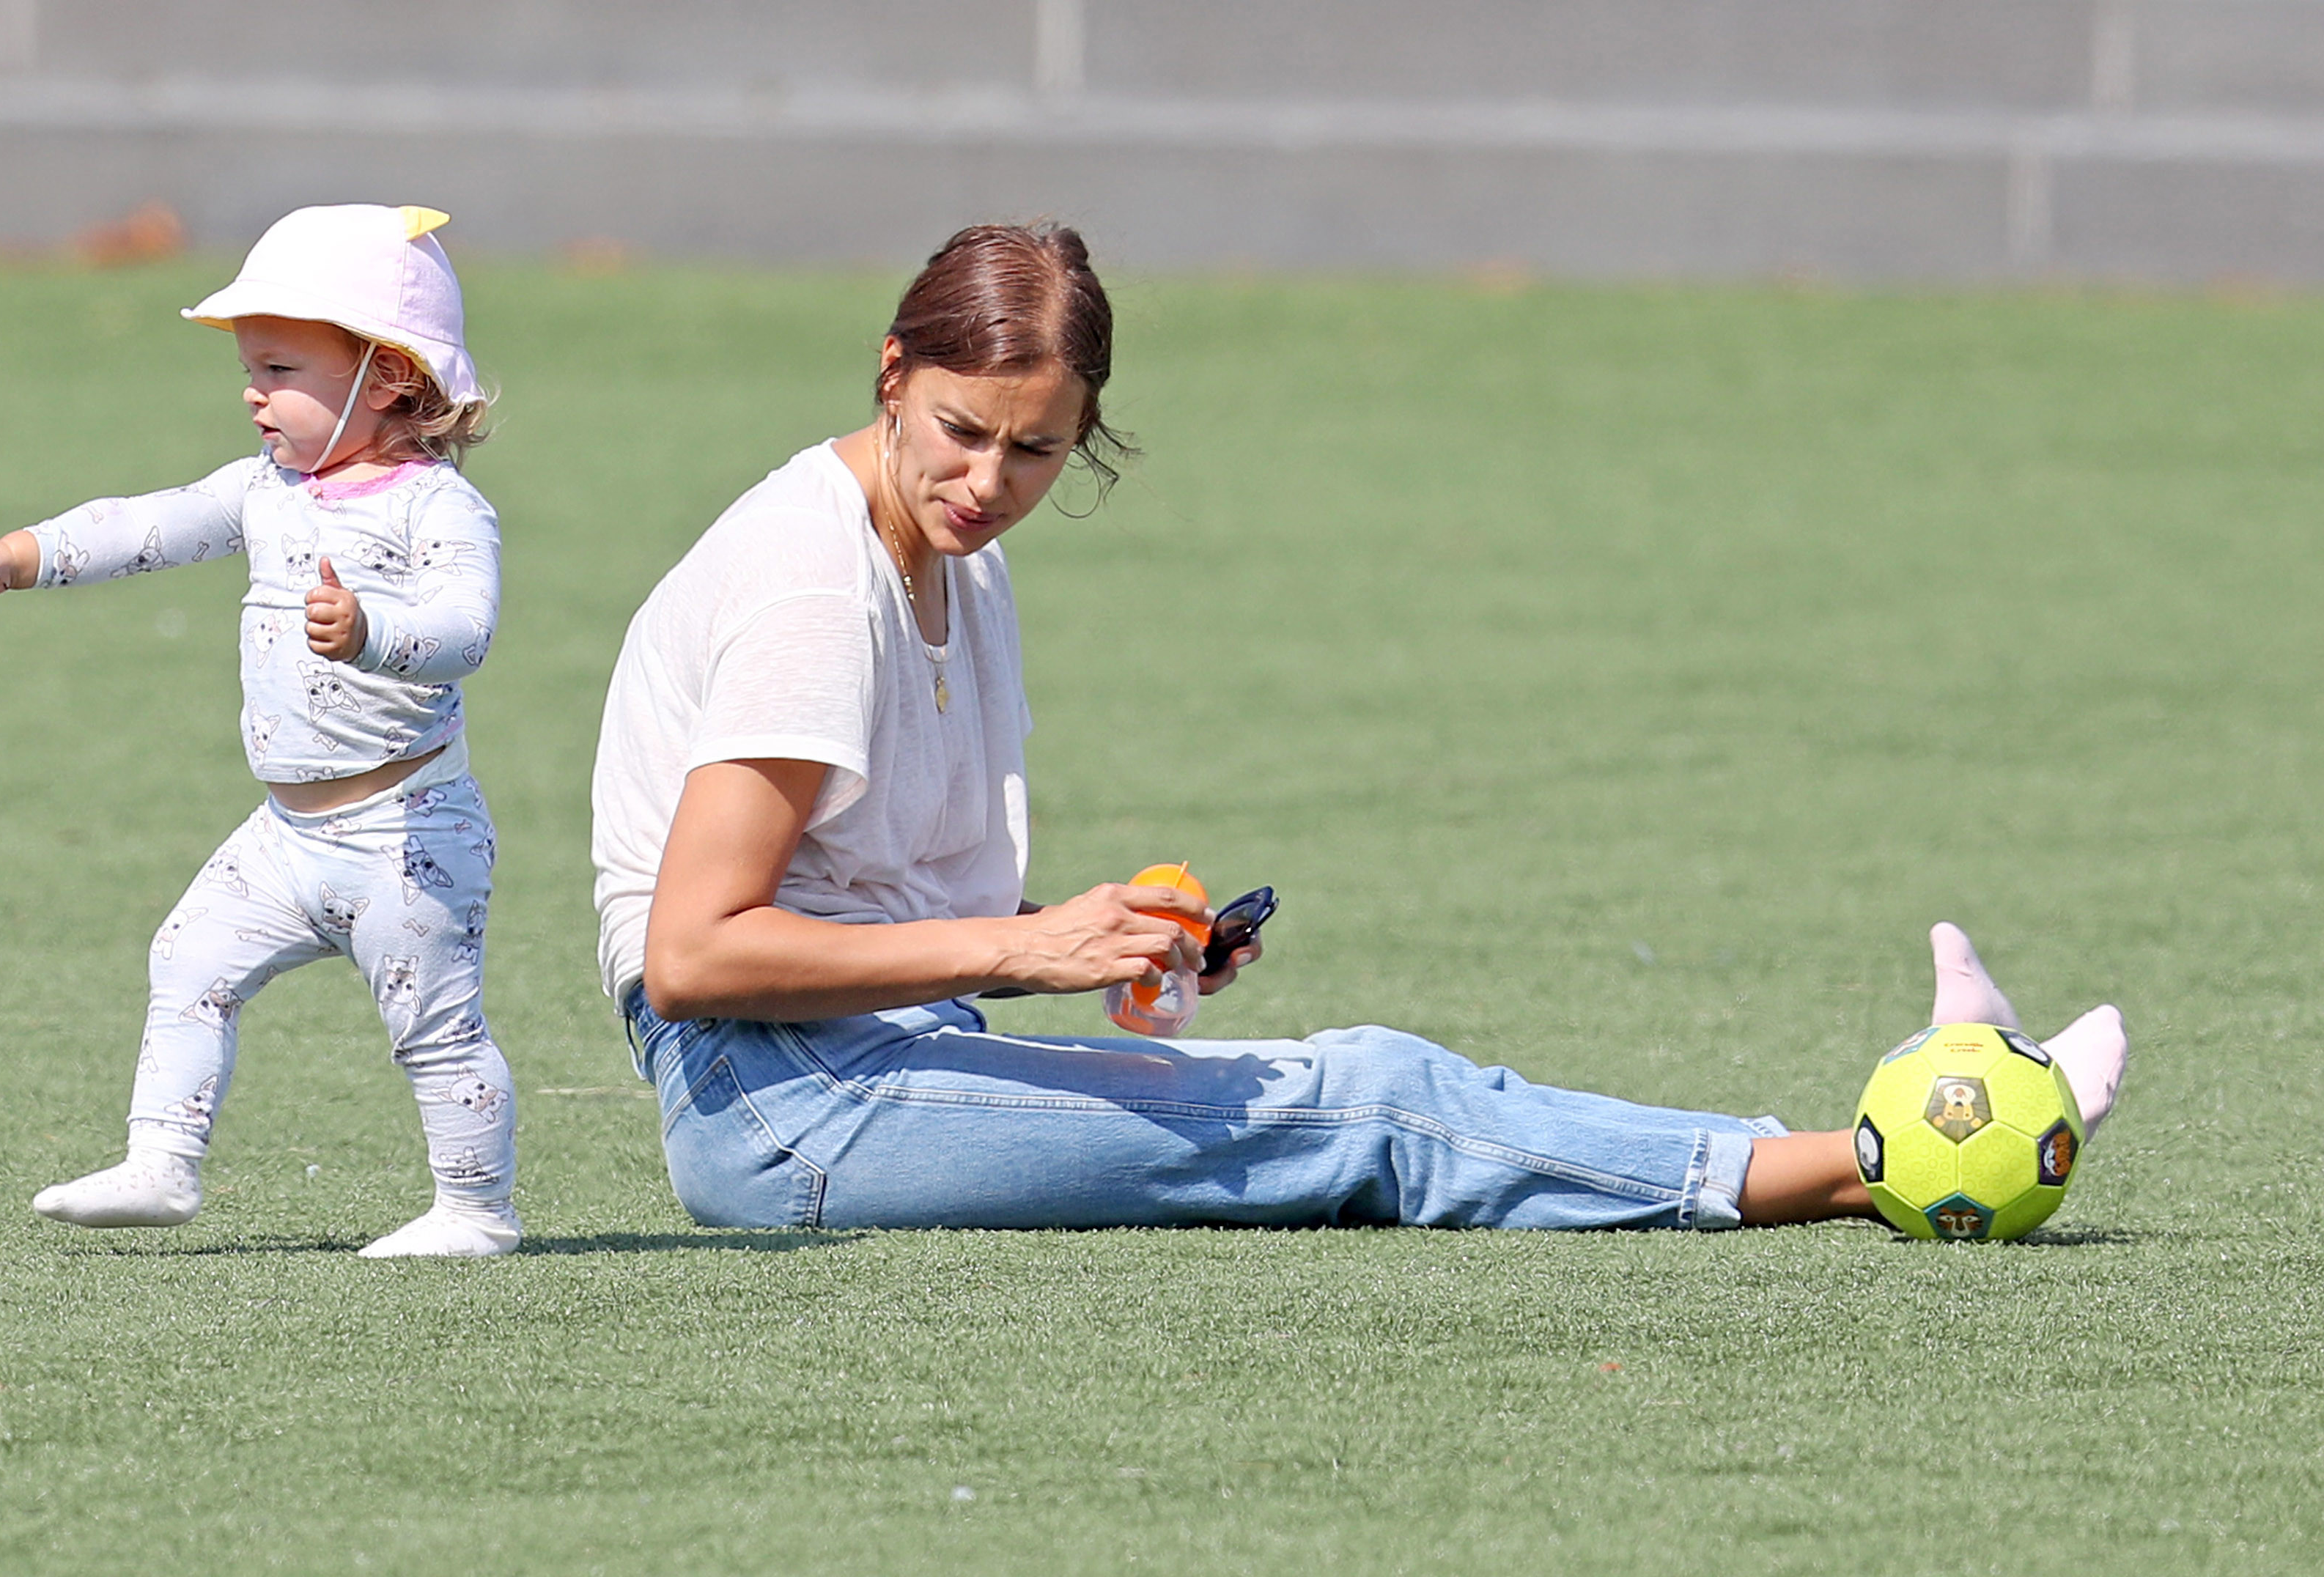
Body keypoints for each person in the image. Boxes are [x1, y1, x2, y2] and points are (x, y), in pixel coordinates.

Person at [591, 222, 2130, 1233]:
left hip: (874, 1064)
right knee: (1375, 1099)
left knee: (1367, 1090)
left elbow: (868, 905)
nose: (990, 483)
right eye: (961, 432)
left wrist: (1107, 943)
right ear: (891, 373)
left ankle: (1922, 1128)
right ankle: (1898, 1156)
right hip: (785, 1109)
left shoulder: (949, 551)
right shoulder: (815, 587)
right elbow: (696, 957)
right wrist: (1027, 944)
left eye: (1038, 450)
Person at [0, 204, 520, 1258]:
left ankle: (476, 1213)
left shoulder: (437, 509)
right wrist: (15, 556)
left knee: (435, 1030)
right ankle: (162, 1163)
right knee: (188, 958)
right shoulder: (264, 490)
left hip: (407, 834)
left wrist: (373, 632)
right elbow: (141, 525)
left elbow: (466, 631)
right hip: (286, 835)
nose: (252, 391)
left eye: (279, 368)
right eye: (250, 368)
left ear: (389, 376)